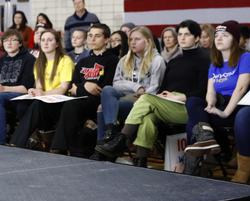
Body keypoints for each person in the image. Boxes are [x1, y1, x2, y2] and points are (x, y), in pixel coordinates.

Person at [95, 20, 210, 166]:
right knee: (147, 118)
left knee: (147, 98)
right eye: (180, 34)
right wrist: (162, 94)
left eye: (187, 34)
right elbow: (162, 88)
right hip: (168, 104)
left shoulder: (204, 59)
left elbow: (204, 89)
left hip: (188, 107)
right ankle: (141, 159)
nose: (182, 37)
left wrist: (182, 96)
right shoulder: (175, 61)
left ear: (197, 38)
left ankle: (122, 138)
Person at [183, 21, 250, 183]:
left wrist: (225, 112)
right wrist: (211, 105)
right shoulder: (214, 63)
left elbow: (240, 89)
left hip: (240, 106)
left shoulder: (245, 57)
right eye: (217, 35)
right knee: (193, 104)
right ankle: (196, 161)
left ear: (235, 39)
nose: (219, 38)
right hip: (220, 105)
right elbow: (210, 91)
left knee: (242, 118)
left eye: (225, 35)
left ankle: (244, 170)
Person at [50, 24, 118, 156]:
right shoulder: (83, 61)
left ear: (106, 39)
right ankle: (70, 149)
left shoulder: (113, 60)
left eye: (97, 36)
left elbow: (104, 88)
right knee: (66, 104)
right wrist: (86, 86)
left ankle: (59, 147)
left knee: (71, 105)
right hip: (81, 100)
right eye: (90, 36)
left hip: (98, 102)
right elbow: (72, 88)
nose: (92, 39)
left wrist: (81, 88)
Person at [94, 26, 165, 147]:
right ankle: (110, 130)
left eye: (137, 39)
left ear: (147, 41)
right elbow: (116, 83)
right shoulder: (124, 60)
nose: (132, 42)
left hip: (144, 101)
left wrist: (141, 94)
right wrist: (136, 87)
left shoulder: (157, 60)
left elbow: (155, 87)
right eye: (131, 39)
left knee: (102, 107)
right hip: (127, 96)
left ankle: (104, 143)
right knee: (107, 90)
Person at [10, 30, 74, 148]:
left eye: (50, 40)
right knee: (23, 104)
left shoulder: (65, 60)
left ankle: (17, 142)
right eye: (43, 40)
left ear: (57, 44)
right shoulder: (38, 63)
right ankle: (32, 139)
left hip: (61, 102)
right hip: (45, 102)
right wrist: (34, 91)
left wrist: (43, 93)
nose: (45, 43)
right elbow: (39, 87)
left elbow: (63, 88)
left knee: (38, 105)